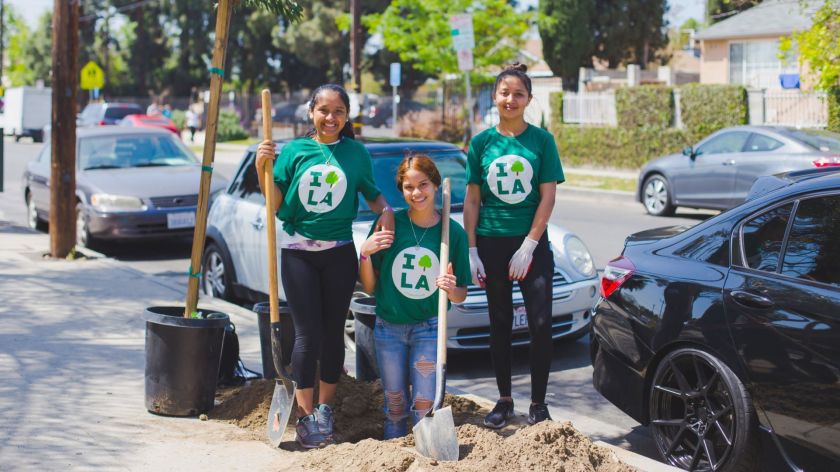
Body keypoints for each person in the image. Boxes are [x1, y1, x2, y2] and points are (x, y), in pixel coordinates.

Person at [255, 84, 395, 449]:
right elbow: (274, 204)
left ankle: (325, 409)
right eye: (323, 110)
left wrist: (388, 211)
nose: (330, 118)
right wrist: (261, 167)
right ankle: (305, 416)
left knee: (333, 333)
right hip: (299, 254)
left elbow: (371, 192)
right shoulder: (294, 152)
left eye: (338, 111)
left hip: (339, 254)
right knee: (306, 334)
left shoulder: (355, 154)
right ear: (311, 112)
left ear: (347, 116)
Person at [463, 63, 565, 428]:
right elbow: (472, 200)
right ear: (495, 96)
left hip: (530, 245)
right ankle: (504, 400)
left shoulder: (541, 141)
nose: (511, 99)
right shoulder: (480, 143)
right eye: (504, 93)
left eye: (518, 94)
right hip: (491, 243)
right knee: (500, 323)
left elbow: (547, 197)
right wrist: (472, 249)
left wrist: (529, 246)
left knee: (540, 323)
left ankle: (538, 404)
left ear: (529, 99)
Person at [358, 155, 470, 439]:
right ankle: (392, 459)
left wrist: (450, 287)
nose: (416, 193)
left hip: (428, 328)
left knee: (423, 405)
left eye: (423, 185)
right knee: (395, 406)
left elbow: (460, 297)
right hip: (388, 329)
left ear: (435, 185)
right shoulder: (389, 223)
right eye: (408, 187)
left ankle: (424, 458)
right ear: (401, 189)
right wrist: (365, 253)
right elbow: (370, 288)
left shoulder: (452, 233)